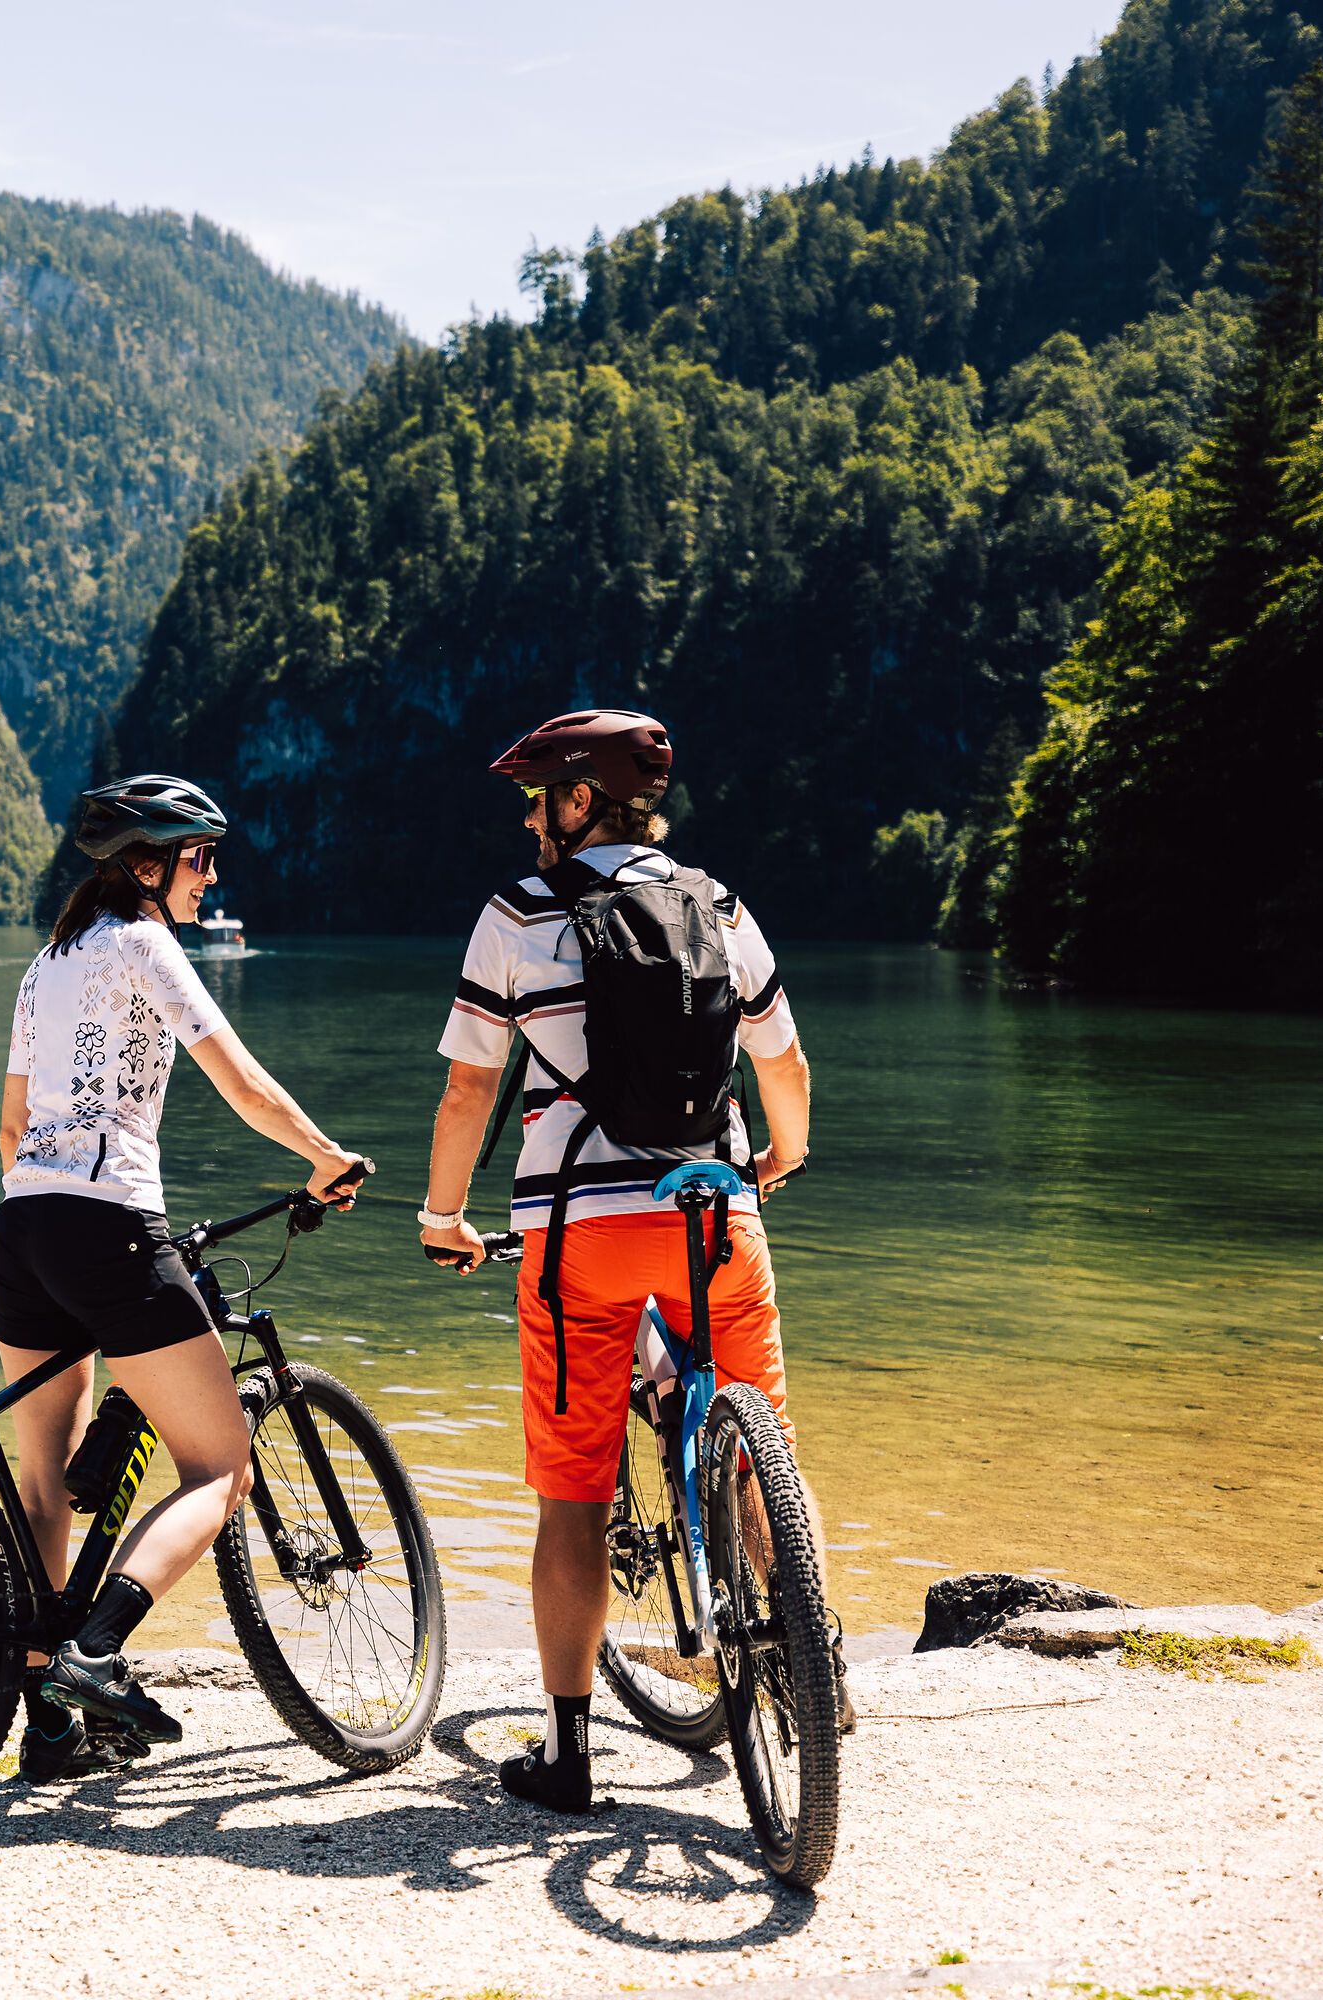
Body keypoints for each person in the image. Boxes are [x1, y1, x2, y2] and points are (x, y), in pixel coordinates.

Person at [413, 710, 818, 1815]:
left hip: (576, 1229)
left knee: (576, 1492)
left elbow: (467, 1088)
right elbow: (781, 1058)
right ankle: (805, 1673)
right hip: (715, 1214)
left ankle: (568, 1748)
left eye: (542, 797)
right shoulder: (719, 906)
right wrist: (780, 1154)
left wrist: (441, 1211)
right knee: (759, 1445)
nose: (534, 819)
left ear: (581, 800)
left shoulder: (518, 913)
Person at [0, 773, 370, 1783]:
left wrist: (52, 1219)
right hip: (108, 1219)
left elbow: (11, 1124)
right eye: (200, 856)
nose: (212, 874)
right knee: (219, 1463)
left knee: (44, 1483)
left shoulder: (47, 963)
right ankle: (98, 1647)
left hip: (22, 1225)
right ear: (148, 866)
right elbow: (239, 1080)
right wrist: (324, 1154)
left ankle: (51, 1729)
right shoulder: (144, 942)